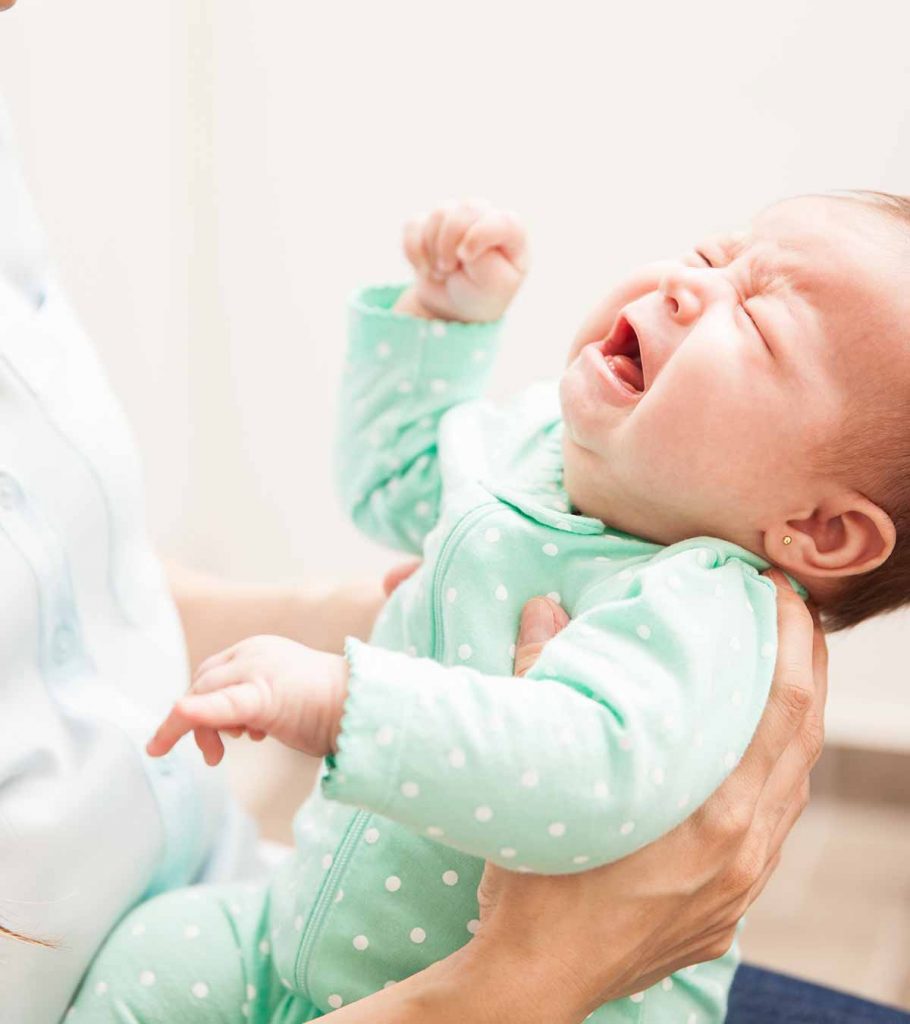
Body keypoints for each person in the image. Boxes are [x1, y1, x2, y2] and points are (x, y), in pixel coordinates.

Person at [73, 190, 910, 1023]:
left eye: (759, 323)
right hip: (302, 937)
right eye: (713, 255)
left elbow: (583, 768)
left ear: (821, 529)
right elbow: (394, 479)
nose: (687, 287)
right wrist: (441, 320)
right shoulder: (537, 450)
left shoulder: (711, 609)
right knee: (153, 957)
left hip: (555, 1007)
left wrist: (344, 704)